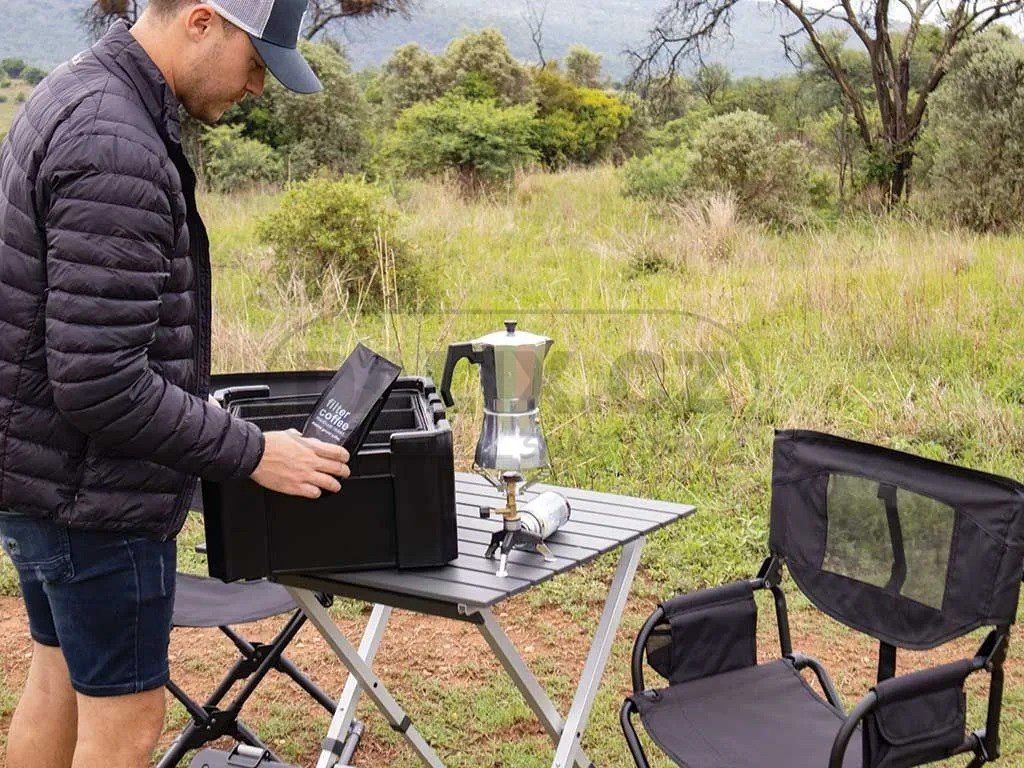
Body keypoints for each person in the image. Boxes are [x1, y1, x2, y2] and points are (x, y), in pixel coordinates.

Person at [0, 2, 345, 766]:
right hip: (94, 498)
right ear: (200, 21)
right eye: (256, 62)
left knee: (58, 685)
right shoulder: (116, 145)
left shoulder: (76, 89)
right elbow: (98, 381)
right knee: (124, 728)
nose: (257, 87)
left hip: (41, 480)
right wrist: (255, 452)